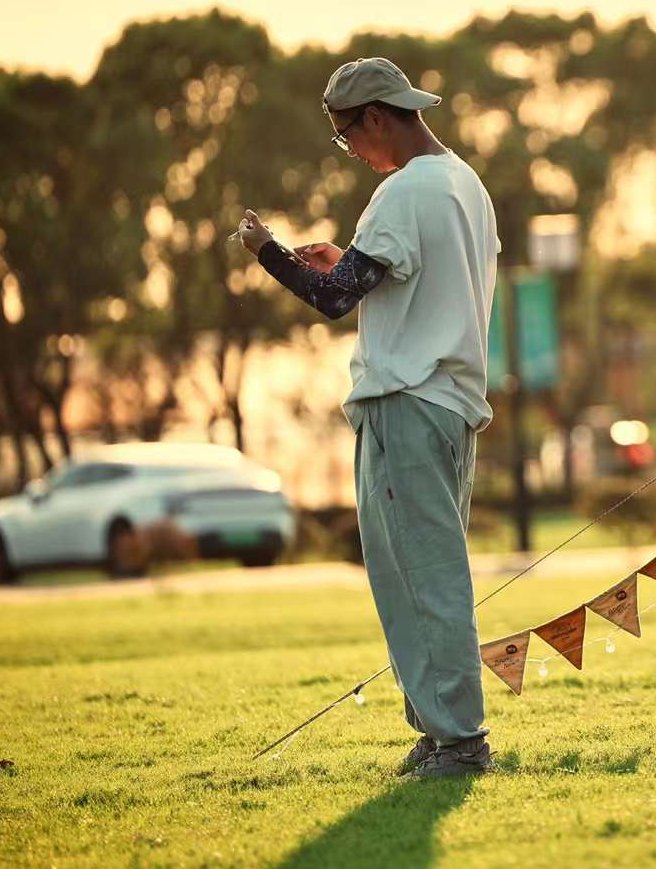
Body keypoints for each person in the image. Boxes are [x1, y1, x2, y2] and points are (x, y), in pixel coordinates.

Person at [236, 57, 501, 780]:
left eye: (347, 134)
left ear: (378, 117)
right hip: (449, 403)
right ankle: (439, 730)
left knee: (420, 576)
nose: (350, 150)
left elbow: (335, 300)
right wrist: (343, 260)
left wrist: (270, 254)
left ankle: (461, 740)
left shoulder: (402, 192)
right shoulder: (465, 185)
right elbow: (384, 279)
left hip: (406, 402)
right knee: (422, 571)